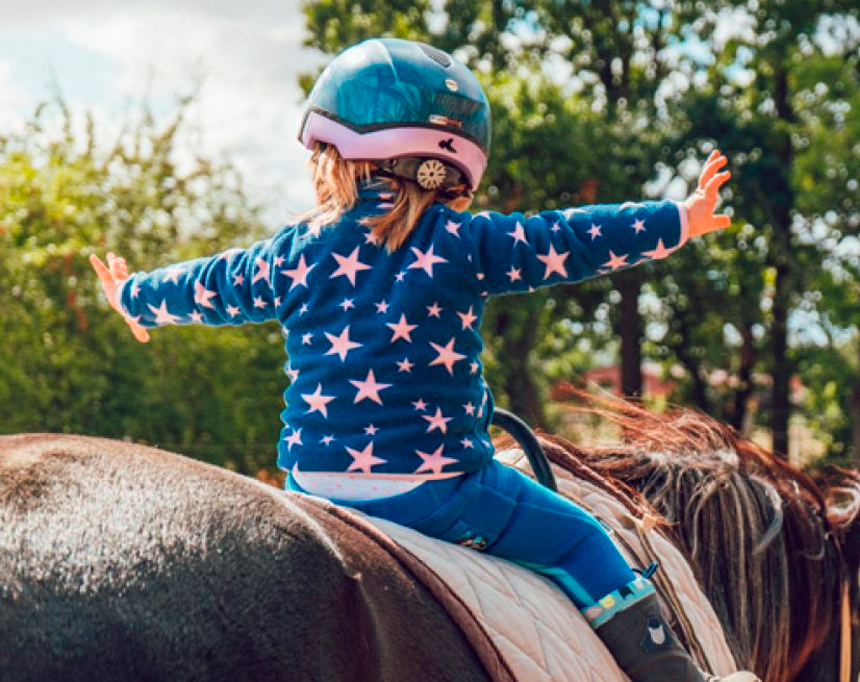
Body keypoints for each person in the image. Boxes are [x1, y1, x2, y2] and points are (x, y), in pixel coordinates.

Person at [91, 38, 756, 682]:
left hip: (314, 486)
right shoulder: (464, 241)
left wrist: (135, 297)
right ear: (453, 166)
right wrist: (679, 220)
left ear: (334, 153)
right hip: (438, 490)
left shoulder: (292, 253)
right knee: (582, 541)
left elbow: (213, 284)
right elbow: (569, 236)